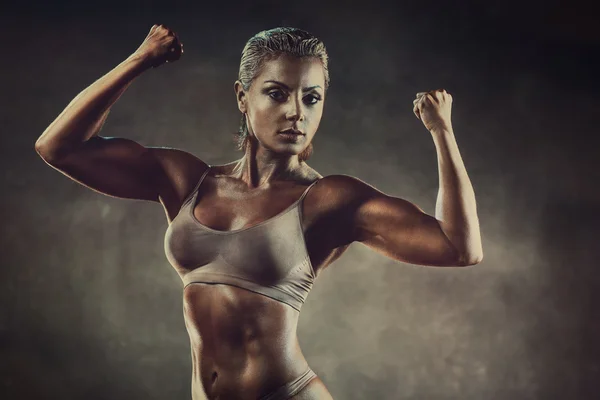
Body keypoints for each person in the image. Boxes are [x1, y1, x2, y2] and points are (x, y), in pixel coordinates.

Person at [35, 24, 483, 400]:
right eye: (277, 93)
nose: (295, 113)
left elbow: (459, 247)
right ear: (242, 98)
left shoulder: (329, 200)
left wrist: (442, 132)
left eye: (311, 98)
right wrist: (139, 59)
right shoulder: (187, 181)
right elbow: (58, 147)